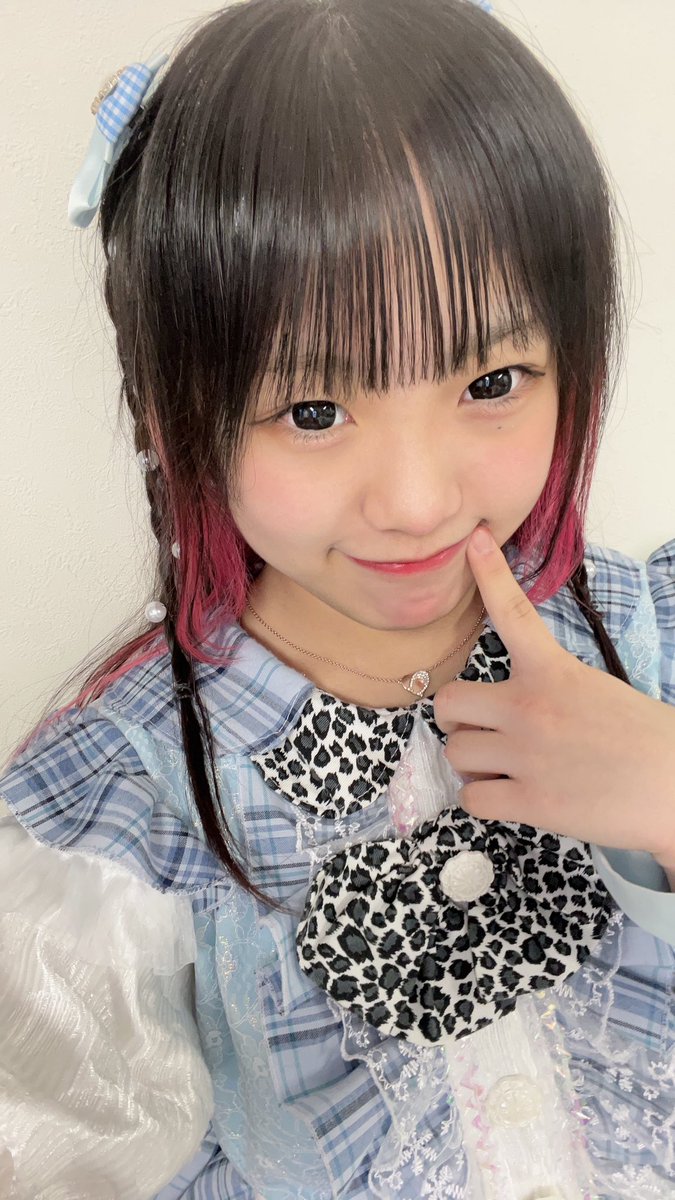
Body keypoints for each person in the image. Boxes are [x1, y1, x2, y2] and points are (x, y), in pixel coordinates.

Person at [1, 0, 674, 1196]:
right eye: (314, 410)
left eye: (493, 380)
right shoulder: (119, 817)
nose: (416, 501)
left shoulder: (653, 636)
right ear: (177, 413)